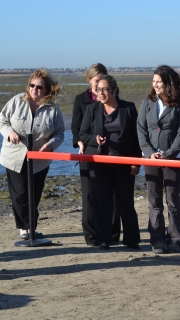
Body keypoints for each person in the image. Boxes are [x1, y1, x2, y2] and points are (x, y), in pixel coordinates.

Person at [0, 68, 65, 239]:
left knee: (34, 194)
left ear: (47, 90)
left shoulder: (53, 109)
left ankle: (31, 228)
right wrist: (9, 133)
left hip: (40, 160)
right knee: (20, 193)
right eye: (32, 85)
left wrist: (51, 144)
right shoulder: (16, 101)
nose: (34, 89)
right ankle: (24, 229)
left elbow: (60, 133)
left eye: (39, 87)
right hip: (14, 156)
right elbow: (2, 120)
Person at [79, 75, 142, 250]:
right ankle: (104, 239)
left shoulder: (128, 108)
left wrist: (137, 163)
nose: (101, 93)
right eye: (98, 90)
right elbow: (82, 134)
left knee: (125, 202)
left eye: (105, 89)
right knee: (102, 202)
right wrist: (94, 138)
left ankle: (131, 239)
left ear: (114, 90)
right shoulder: (92, 110)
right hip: (100, 164)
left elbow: (135, 138)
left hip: (124, 162)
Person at [137, 65, 180, 254]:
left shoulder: (179, 103)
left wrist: (168, 153)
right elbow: (140, 129)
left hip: (173, 158)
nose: (155, 85)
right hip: (150, 158)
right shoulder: (147, 102)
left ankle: (175, 238)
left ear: (168, 83)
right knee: (154, 200)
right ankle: (157, 239)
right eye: (154, 81)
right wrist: (150, 152)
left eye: (159, 81)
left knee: (172, 199)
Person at [71, 63, 121, 247]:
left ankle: (113, 234)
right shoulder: (81, 99)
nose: (99, 84)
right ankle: (92, 236)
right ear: (89, 80)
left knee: (113, 195)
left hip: (110, 152)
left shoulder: (111, 96)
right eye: (96, 80)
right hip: (88, 151)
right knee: (90, 194)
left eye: (102, 80)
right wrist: (80, 142)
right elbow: (76, 128)